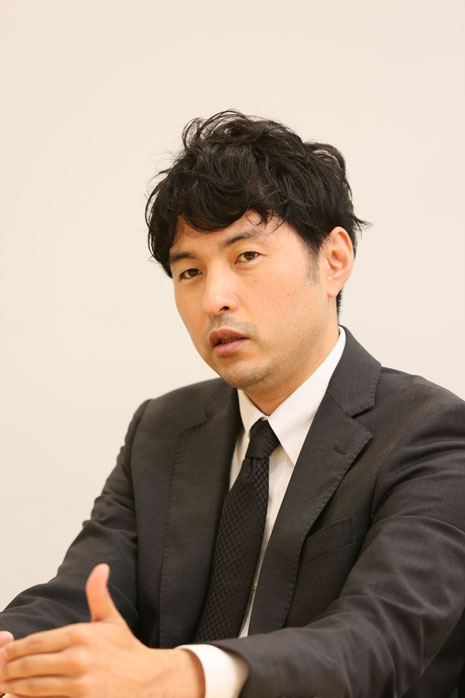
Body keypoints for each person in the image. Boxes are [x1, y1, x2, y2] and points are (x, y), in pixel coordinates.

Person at [0, 110, 464, 698]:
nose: (214, 298)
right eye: (189, 271)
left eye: (245, 256)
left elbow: (375, 644)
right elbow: (79, 599)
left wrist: (184, 674)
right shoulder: (163, 428)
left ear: (334, 261)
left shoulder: (432, 434)